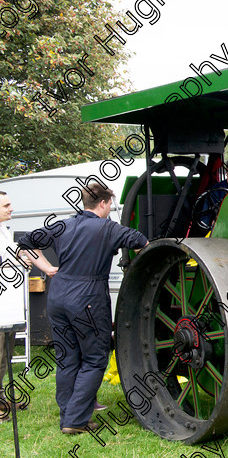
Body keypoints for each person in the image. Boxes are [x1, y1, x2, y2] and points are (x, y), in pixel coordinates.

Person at [18, 182, 148, 434]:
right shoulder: (108, 228)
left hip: (58, 296)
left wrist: (46, 268)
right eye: (110, 204)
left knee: (67, 358)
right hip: (87, 298)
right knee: (94, 358)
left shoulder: (63, 225)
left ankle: (70, 414)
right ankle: (75, 421)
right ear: (102, 204)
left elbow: (25, 242)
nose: (111, 208)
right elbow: (140, 241)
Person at [0, 191, 49, 421]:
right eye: (6, 205)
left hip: (8, 307)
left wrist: (21, 260)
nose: (11, 209)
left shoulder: (4, 231)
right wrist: (15, 262)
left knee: (5, 354)